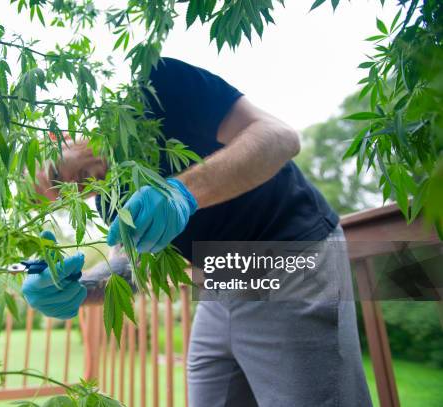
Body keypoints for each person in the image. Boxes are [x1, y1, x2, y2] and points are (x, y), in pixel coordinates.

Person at [22, 57, 372, 406]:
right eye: (63, 198)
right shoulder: (111, 202)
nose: (76, 190)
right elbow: (131, 269)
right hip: (220, 288)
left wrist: (182, 192)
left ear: (61, 137)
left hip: (292, 261)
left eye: (57, 176)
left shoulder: (155, 88)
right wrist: (76, 289)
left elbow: (280, 138)